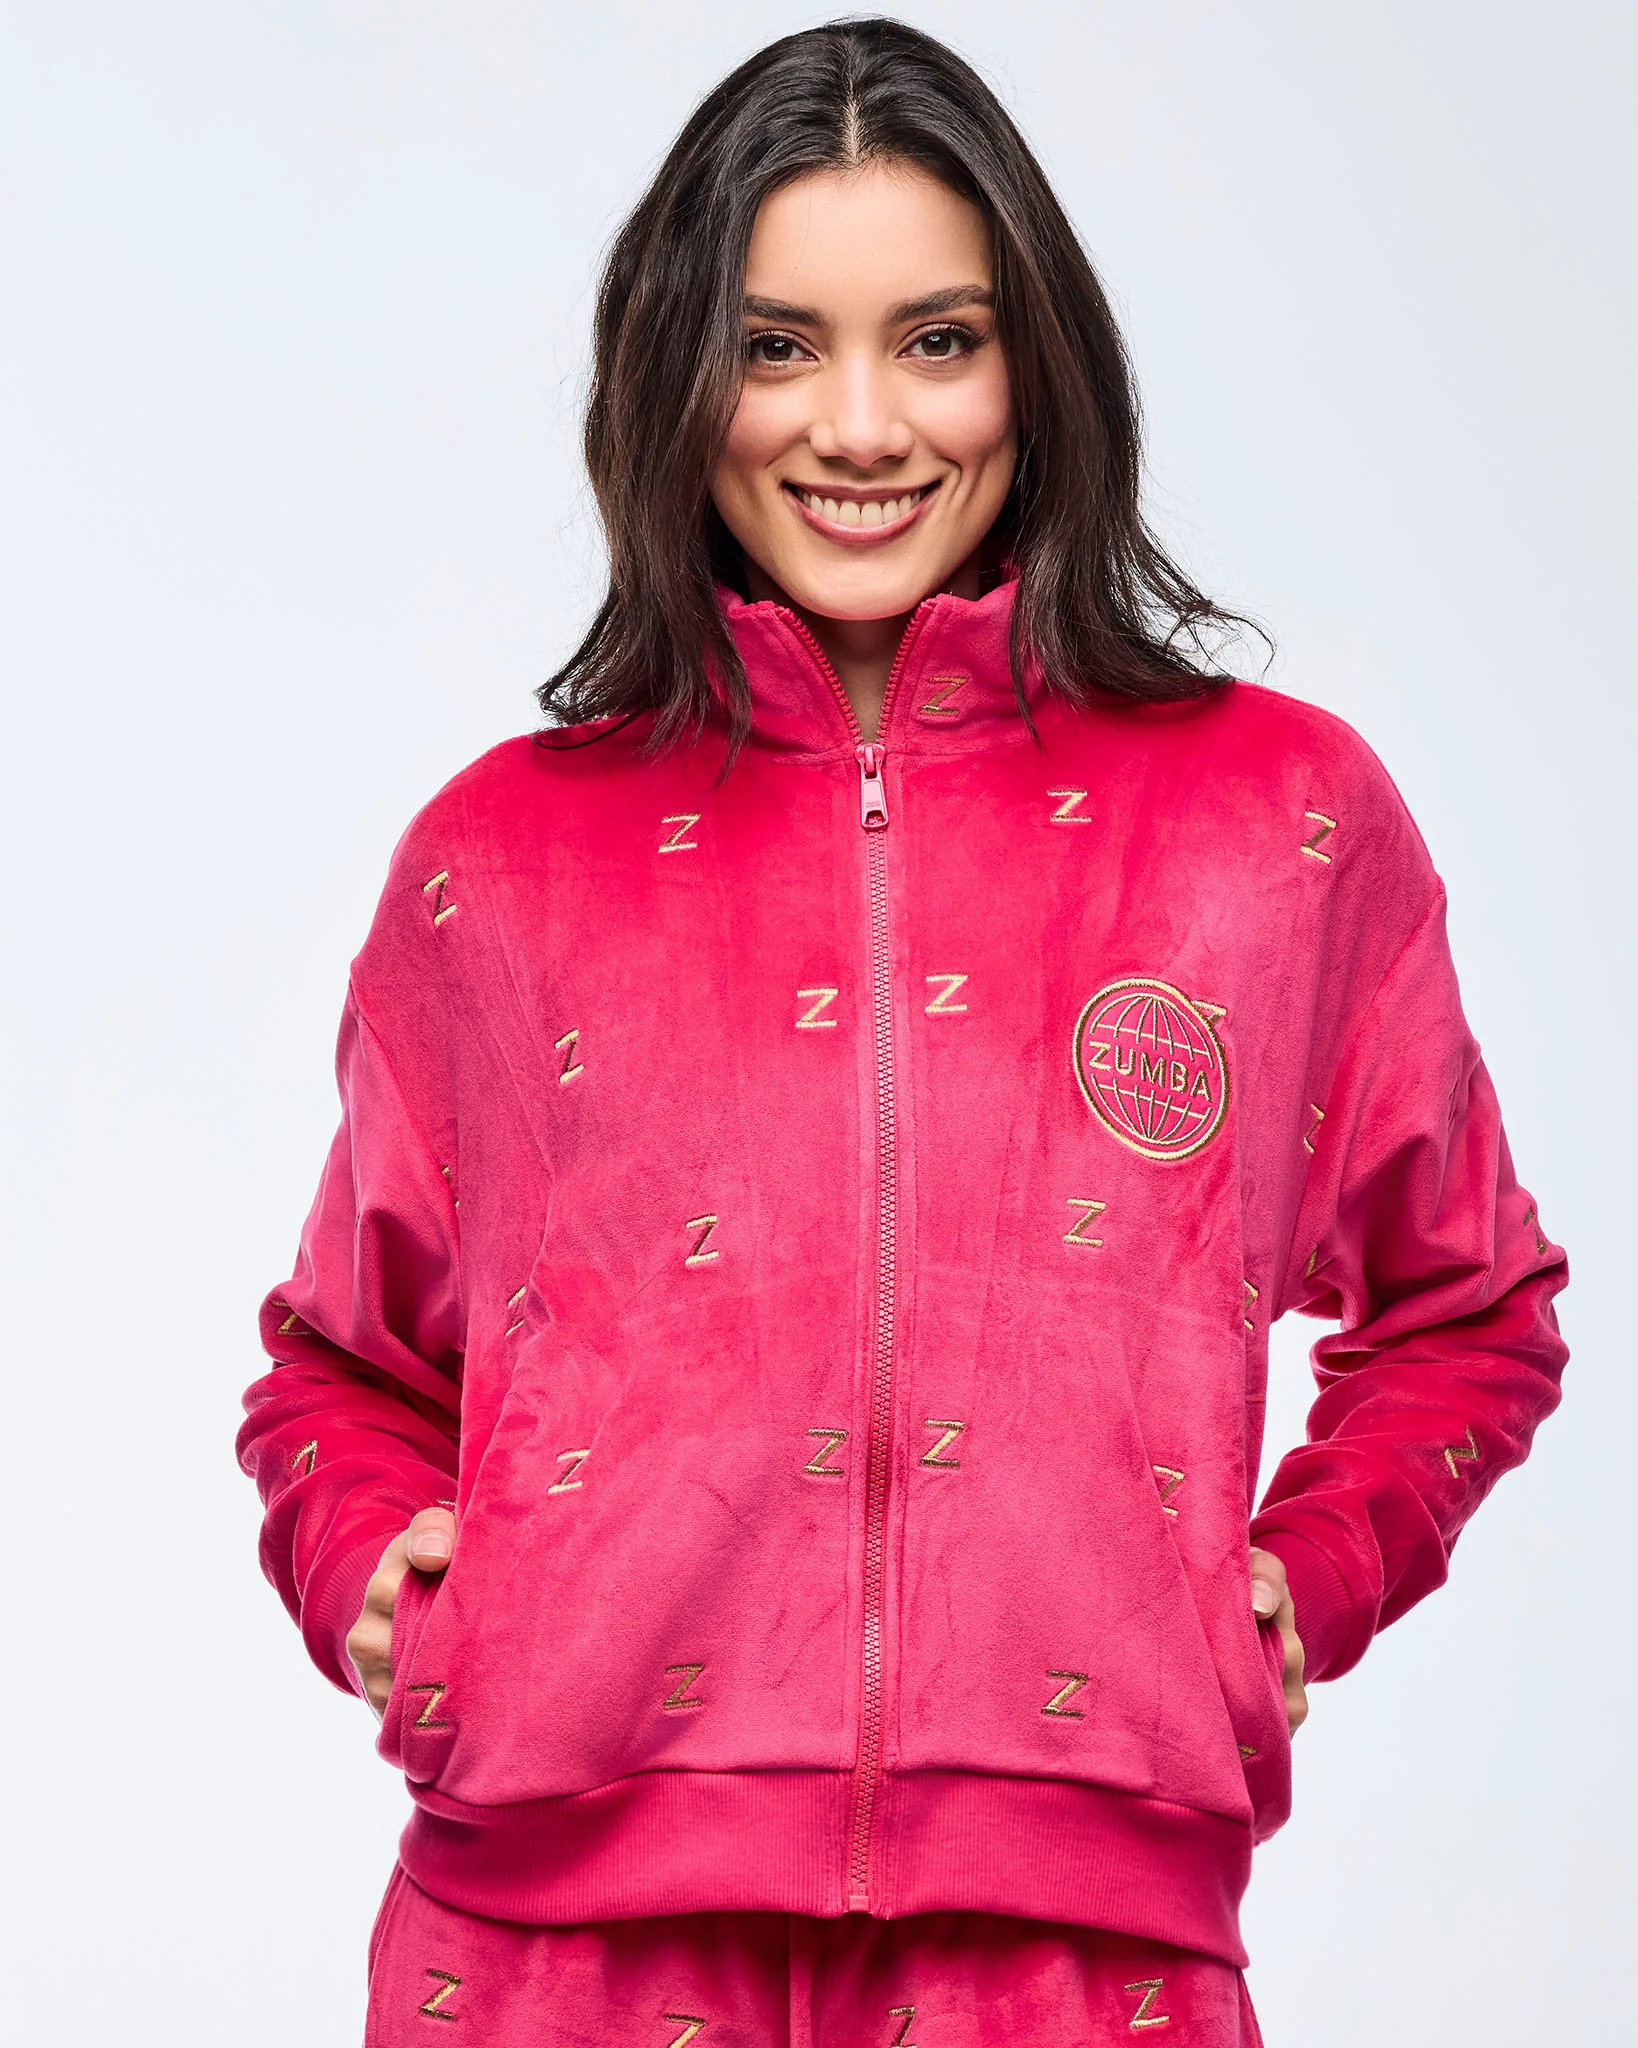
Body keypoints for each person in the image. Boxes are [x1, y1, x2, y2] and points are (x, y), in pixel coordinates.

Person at [238, 19, 1568, 2044]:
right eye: (776, 348)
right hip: (554, 1943)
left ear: (1039, 367)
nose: (858, 426)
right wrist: (378, 1582)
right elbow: (342, 1365)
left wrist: (1307, 1575)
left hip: (1077, 1949)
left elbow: (1470, 1304)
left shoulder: (1276, 827)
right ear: (676, 375)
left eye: (937, 342)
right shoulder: (496, 859)